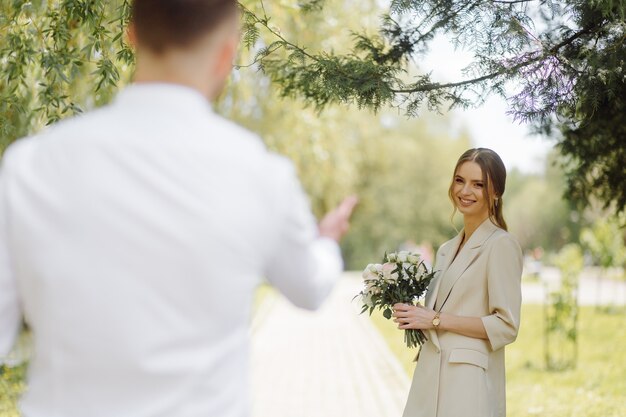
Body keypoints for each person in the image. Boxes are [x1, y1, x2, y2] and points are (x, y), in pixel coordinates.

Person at [0, 1, 357, 416]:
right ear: (227, 53)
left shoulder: (31, 164)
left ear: (131, 33)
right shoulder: (263, 175)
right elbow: (309, 287)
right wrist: (327, 240)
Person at [393, 148, 522, 417]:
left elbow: (506, 325)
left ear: (496, 192)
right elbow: (443, 311)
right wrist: (412, 314)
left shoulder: (501, 245)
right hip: (430, 377)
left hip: (467, 383)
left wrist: (435, 319)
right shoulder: (446, 249)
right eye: (460, 180)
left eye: (478, 184)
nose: (465, 191)